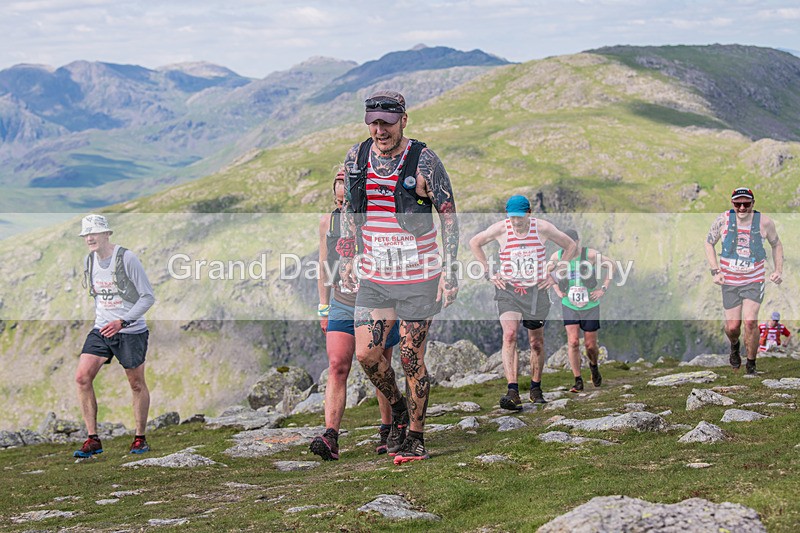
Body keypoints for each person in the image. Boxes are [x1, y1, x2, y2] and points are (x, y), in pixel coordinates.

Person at [337, 90, 459, 464]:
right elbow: (347, 209)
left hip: (420, 275)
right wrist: (347, 256)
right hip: (374, 275)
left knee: (410, 358)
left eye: (386, 123)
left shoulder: (424, 160)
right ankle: (398, 408)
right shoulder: (356, 156)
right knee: (367, 354)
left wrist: (450, 271)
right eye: (373, 123)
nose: (379, 130)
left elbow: (449, 215)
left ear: (403, 120)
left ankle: (416, 438)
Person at [310, 169, 401, 460]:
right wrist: (324, 308)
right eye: (338, 202)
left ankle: (389, 428)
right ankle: (331, 437)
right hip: (342, 302)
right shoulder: (329, 222)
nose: (342, 208)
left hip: (378, 302)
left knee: (379, 364)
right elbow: (324, 265)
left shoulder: (378, 221)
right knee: (337, 365)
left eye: (346, 202)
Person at [469, 195, 576, 410]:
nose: (515, 222)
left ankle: (535, 388)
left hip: (536, 292)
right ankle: (512, 391)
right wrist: (489, 273)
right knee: (509, 335)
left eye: (519, 217)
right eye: (511, 218)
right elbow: (475, 242)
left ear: (528, 213)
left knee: (535, 342)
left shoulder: (542, 228)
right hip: (508, 290)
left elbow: (570, 245)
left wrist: (556, 275)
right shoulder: (501, 228)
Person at [73, 214, 156, 457]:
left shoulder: (127, 258)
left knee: (136, 383)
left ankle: (140, 438)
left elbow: (148, 297)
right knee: (81, 378)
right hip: (102, 329)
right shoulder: (90, 261)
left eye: (95, 233)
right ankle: (93, 440)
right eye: (86, 234)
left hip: (130, 330)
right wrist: (106, 321)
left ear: (107, 234)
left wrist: (123, 321)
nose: (90, 238)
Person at [704, 187, 783, 375]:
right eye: (737, 203)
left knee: (750, 322)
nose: (741, 207)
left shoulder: (764, 222)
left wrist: (778, 270)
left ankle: (751, 365)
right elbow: (709, 243)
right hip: (729, 280)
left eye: (746, 204)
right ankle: (734, 345)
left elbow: (776, 244)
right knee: (732, 327)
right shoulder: (723, 220)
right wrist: (715, 270)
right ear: (732, 204)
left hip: (754, 280)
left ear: (752, 204)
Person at [549, 229, 614, 393]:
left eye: (572, 243)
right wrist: (556, 290)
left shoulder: (589, 255)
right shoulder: (558, 257)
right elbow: (547, 272)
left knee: (591, 346)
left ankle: (593, 366)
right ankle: (577, 380)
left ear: (578, 242)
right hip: (569, 304)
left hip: (590, 305)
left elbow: (611, 265)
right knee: (573, 342)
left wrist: (603, 289)